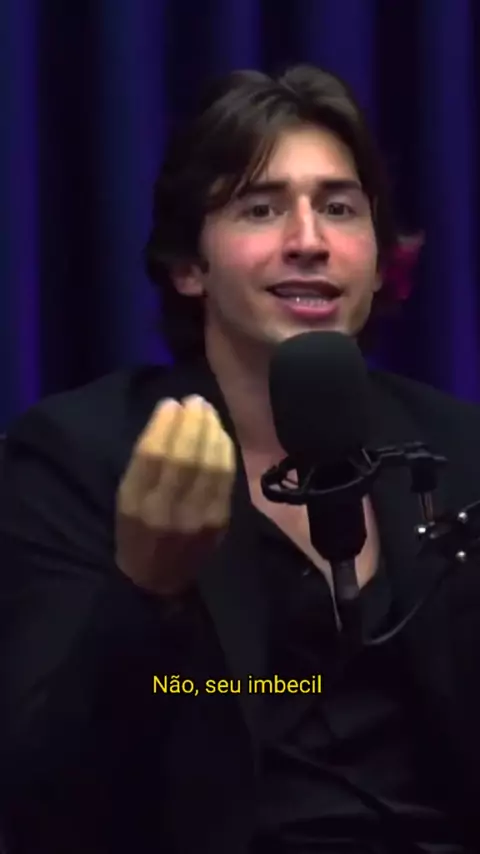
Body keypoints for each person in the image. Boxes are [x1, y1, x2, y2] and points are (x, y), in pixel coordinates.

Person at [0, 64, 479, 854]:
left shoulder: (460, 450)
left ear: (376, 257)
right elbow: (44, 800)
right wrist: (145, 588)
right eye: (261, 208)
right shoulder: (78, 456)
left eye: (338, 207)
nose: (309, 241)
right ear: (190, 266)